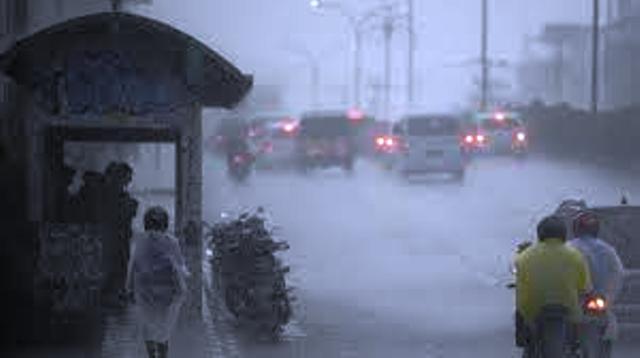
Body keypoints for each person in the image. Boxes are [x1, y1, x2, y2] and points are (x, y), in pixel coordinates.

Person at [515, 215, 593, 352]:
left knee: (520, 317)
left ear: (540, 234)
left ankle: (525, 343)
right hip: (569, 310)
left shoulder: (525, 256)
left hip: (534, 311)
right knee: (580, 339)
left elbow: (522, 287)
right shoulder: (576, 256)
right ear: (563, 233)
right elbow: (585, 287)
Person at [126, 206, 189, 358]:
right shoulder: (171, 241)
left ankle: (151, 355)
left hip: (144, 292)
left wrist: (128, 288)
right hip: (167, 293)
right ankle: (162, 354)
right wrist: (185, 276)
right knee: (164, 329)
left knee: (147, 327)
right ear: (165, 223)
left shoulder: (140, 240)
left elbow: (133, 264)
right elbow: (180, 265)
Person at [568, 211, 625, 353]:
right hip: (597, 304)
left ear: (575, 229)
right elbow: (618, 276)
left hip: (573, 303)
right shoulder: (608, 250)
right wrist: (607, 298)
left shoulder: (568, 248)